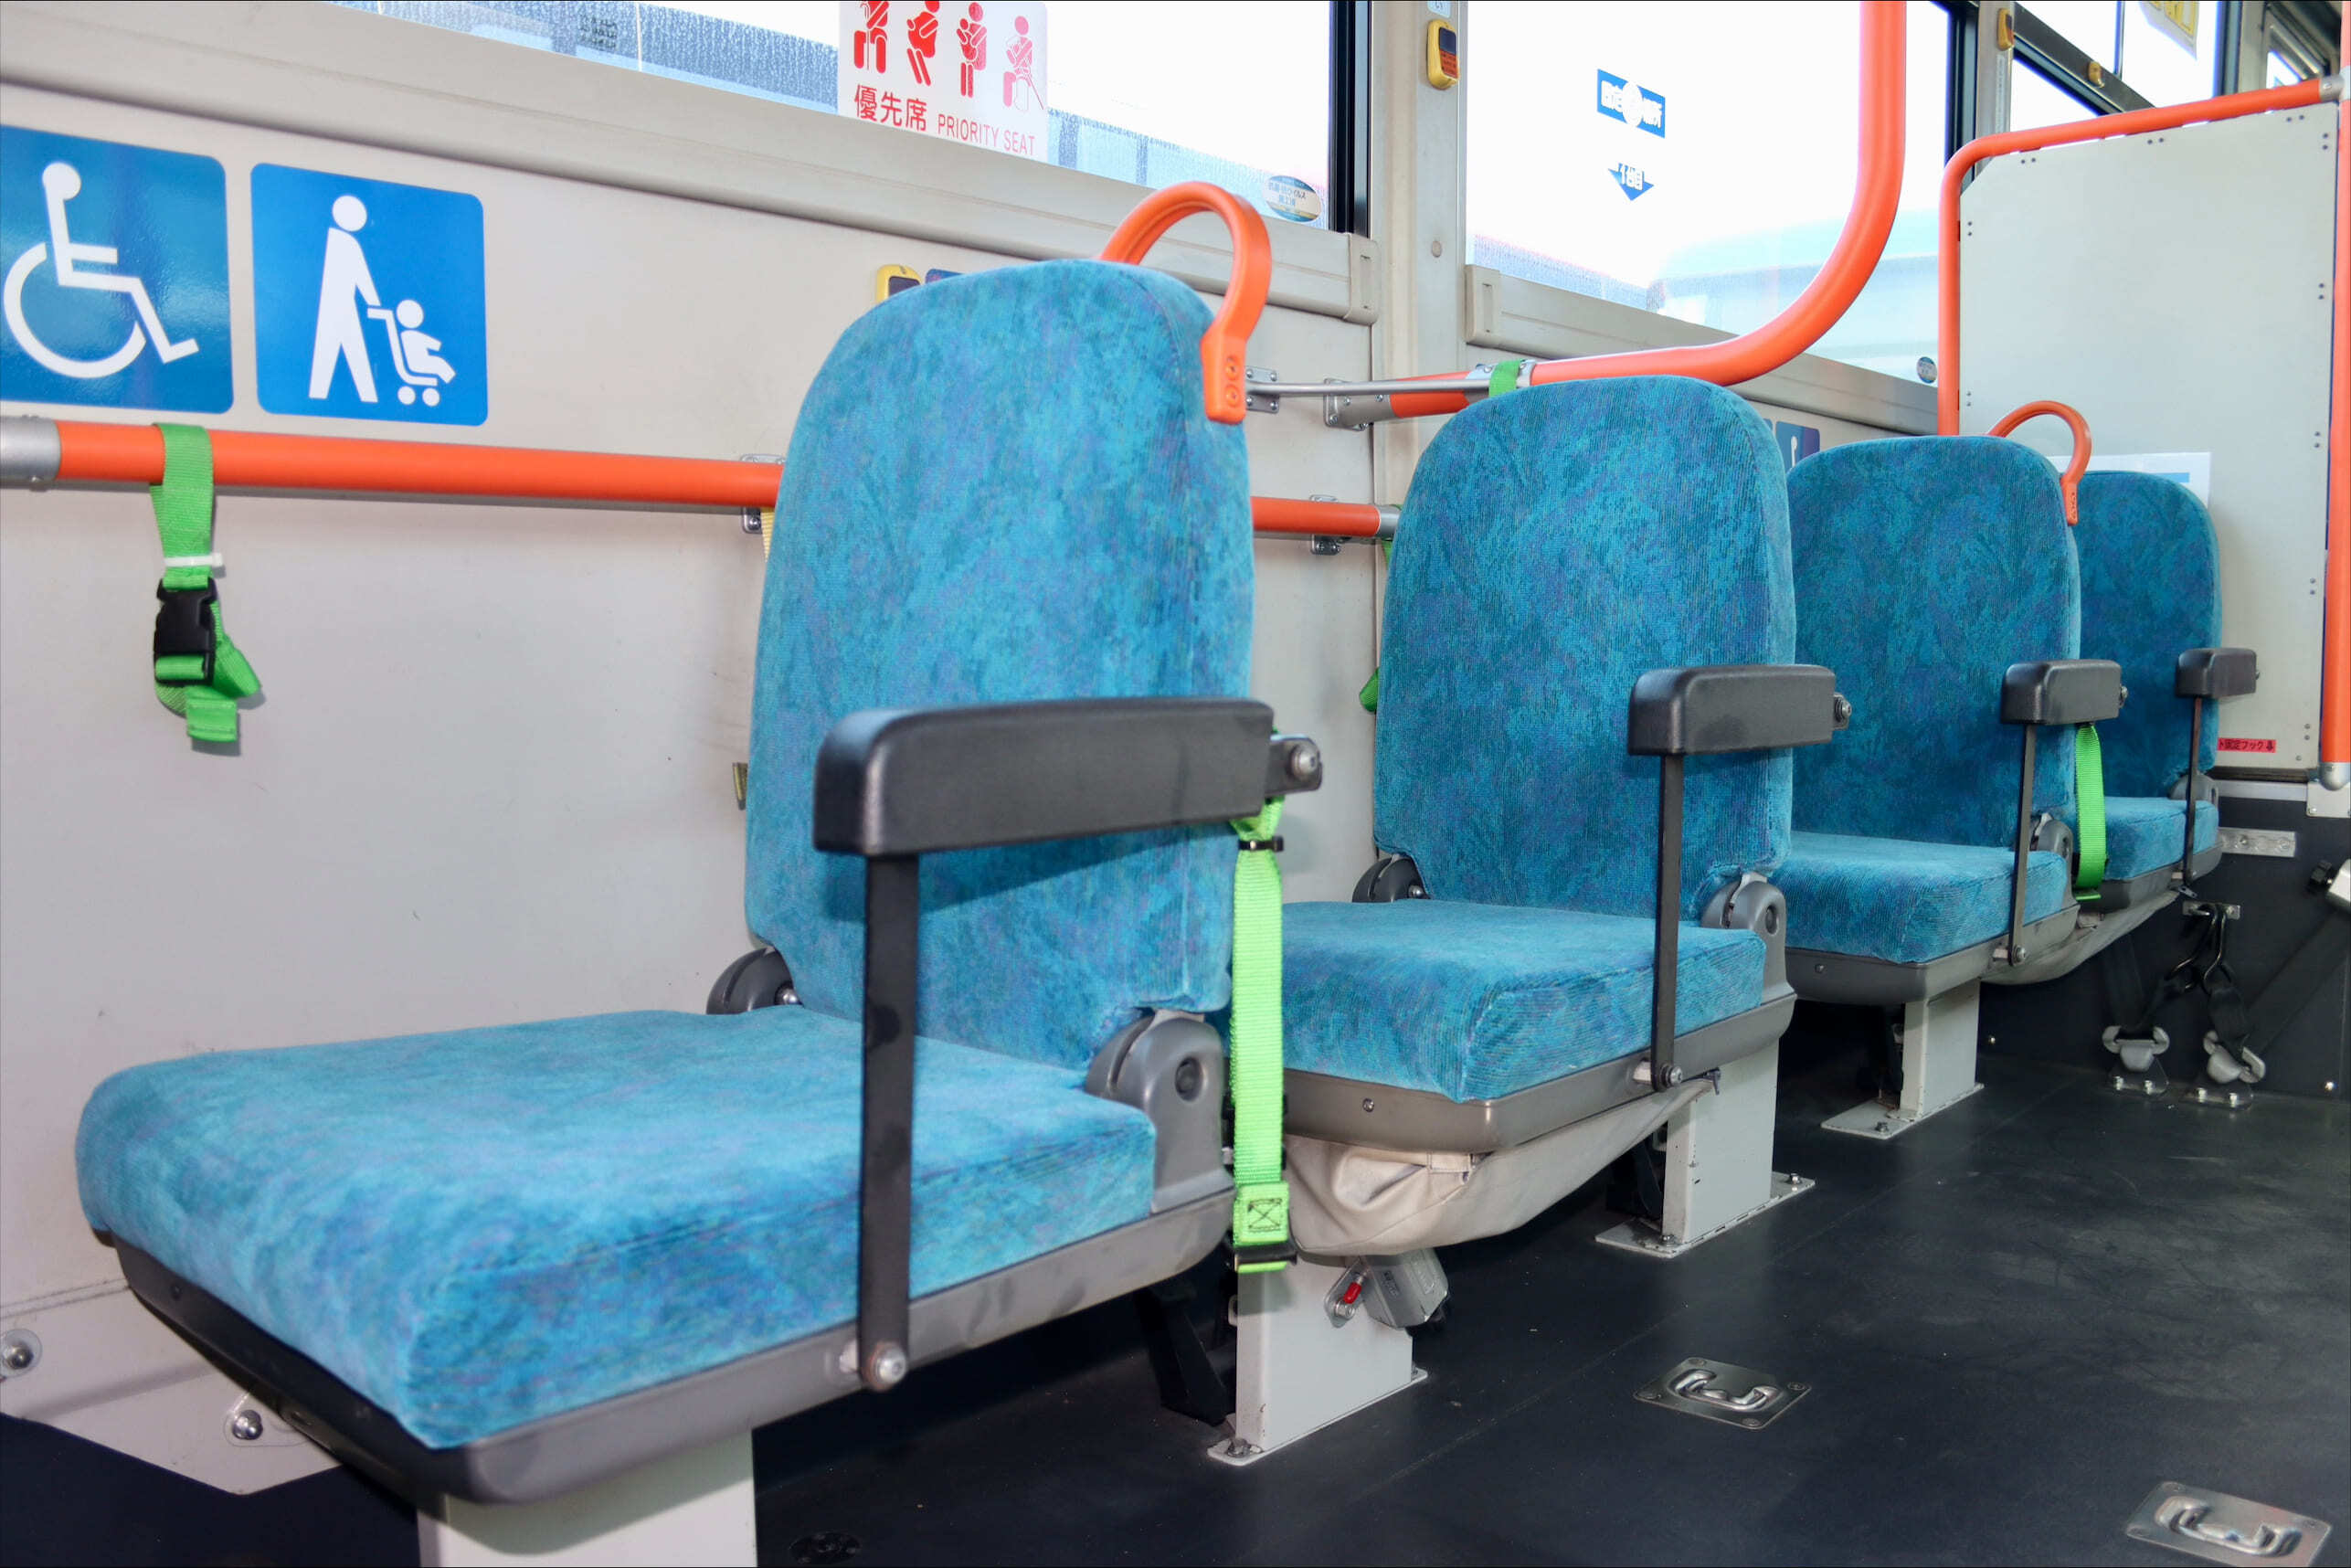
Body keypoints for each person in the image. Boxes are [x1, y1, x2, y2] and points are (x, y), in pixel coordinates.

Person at [309, 194, 380, 402]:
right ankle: (365, 395)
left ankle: (362, 394)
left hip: (339, 306)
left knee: (338, 351)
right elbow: (362, 276)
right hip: (341, 306)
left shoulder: (337, 239)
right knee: (347, 351)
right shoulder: (346, 243)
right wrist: (374, 303)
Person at [394, 299, 454, 385]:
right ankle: (455, 383)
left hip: (419, 362)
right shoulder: (412, 335)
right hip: (420, 363)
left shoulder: (405, 334)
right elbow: (436, 345)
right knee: (440, 364)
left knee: (439, 362)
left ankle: (453, 383)